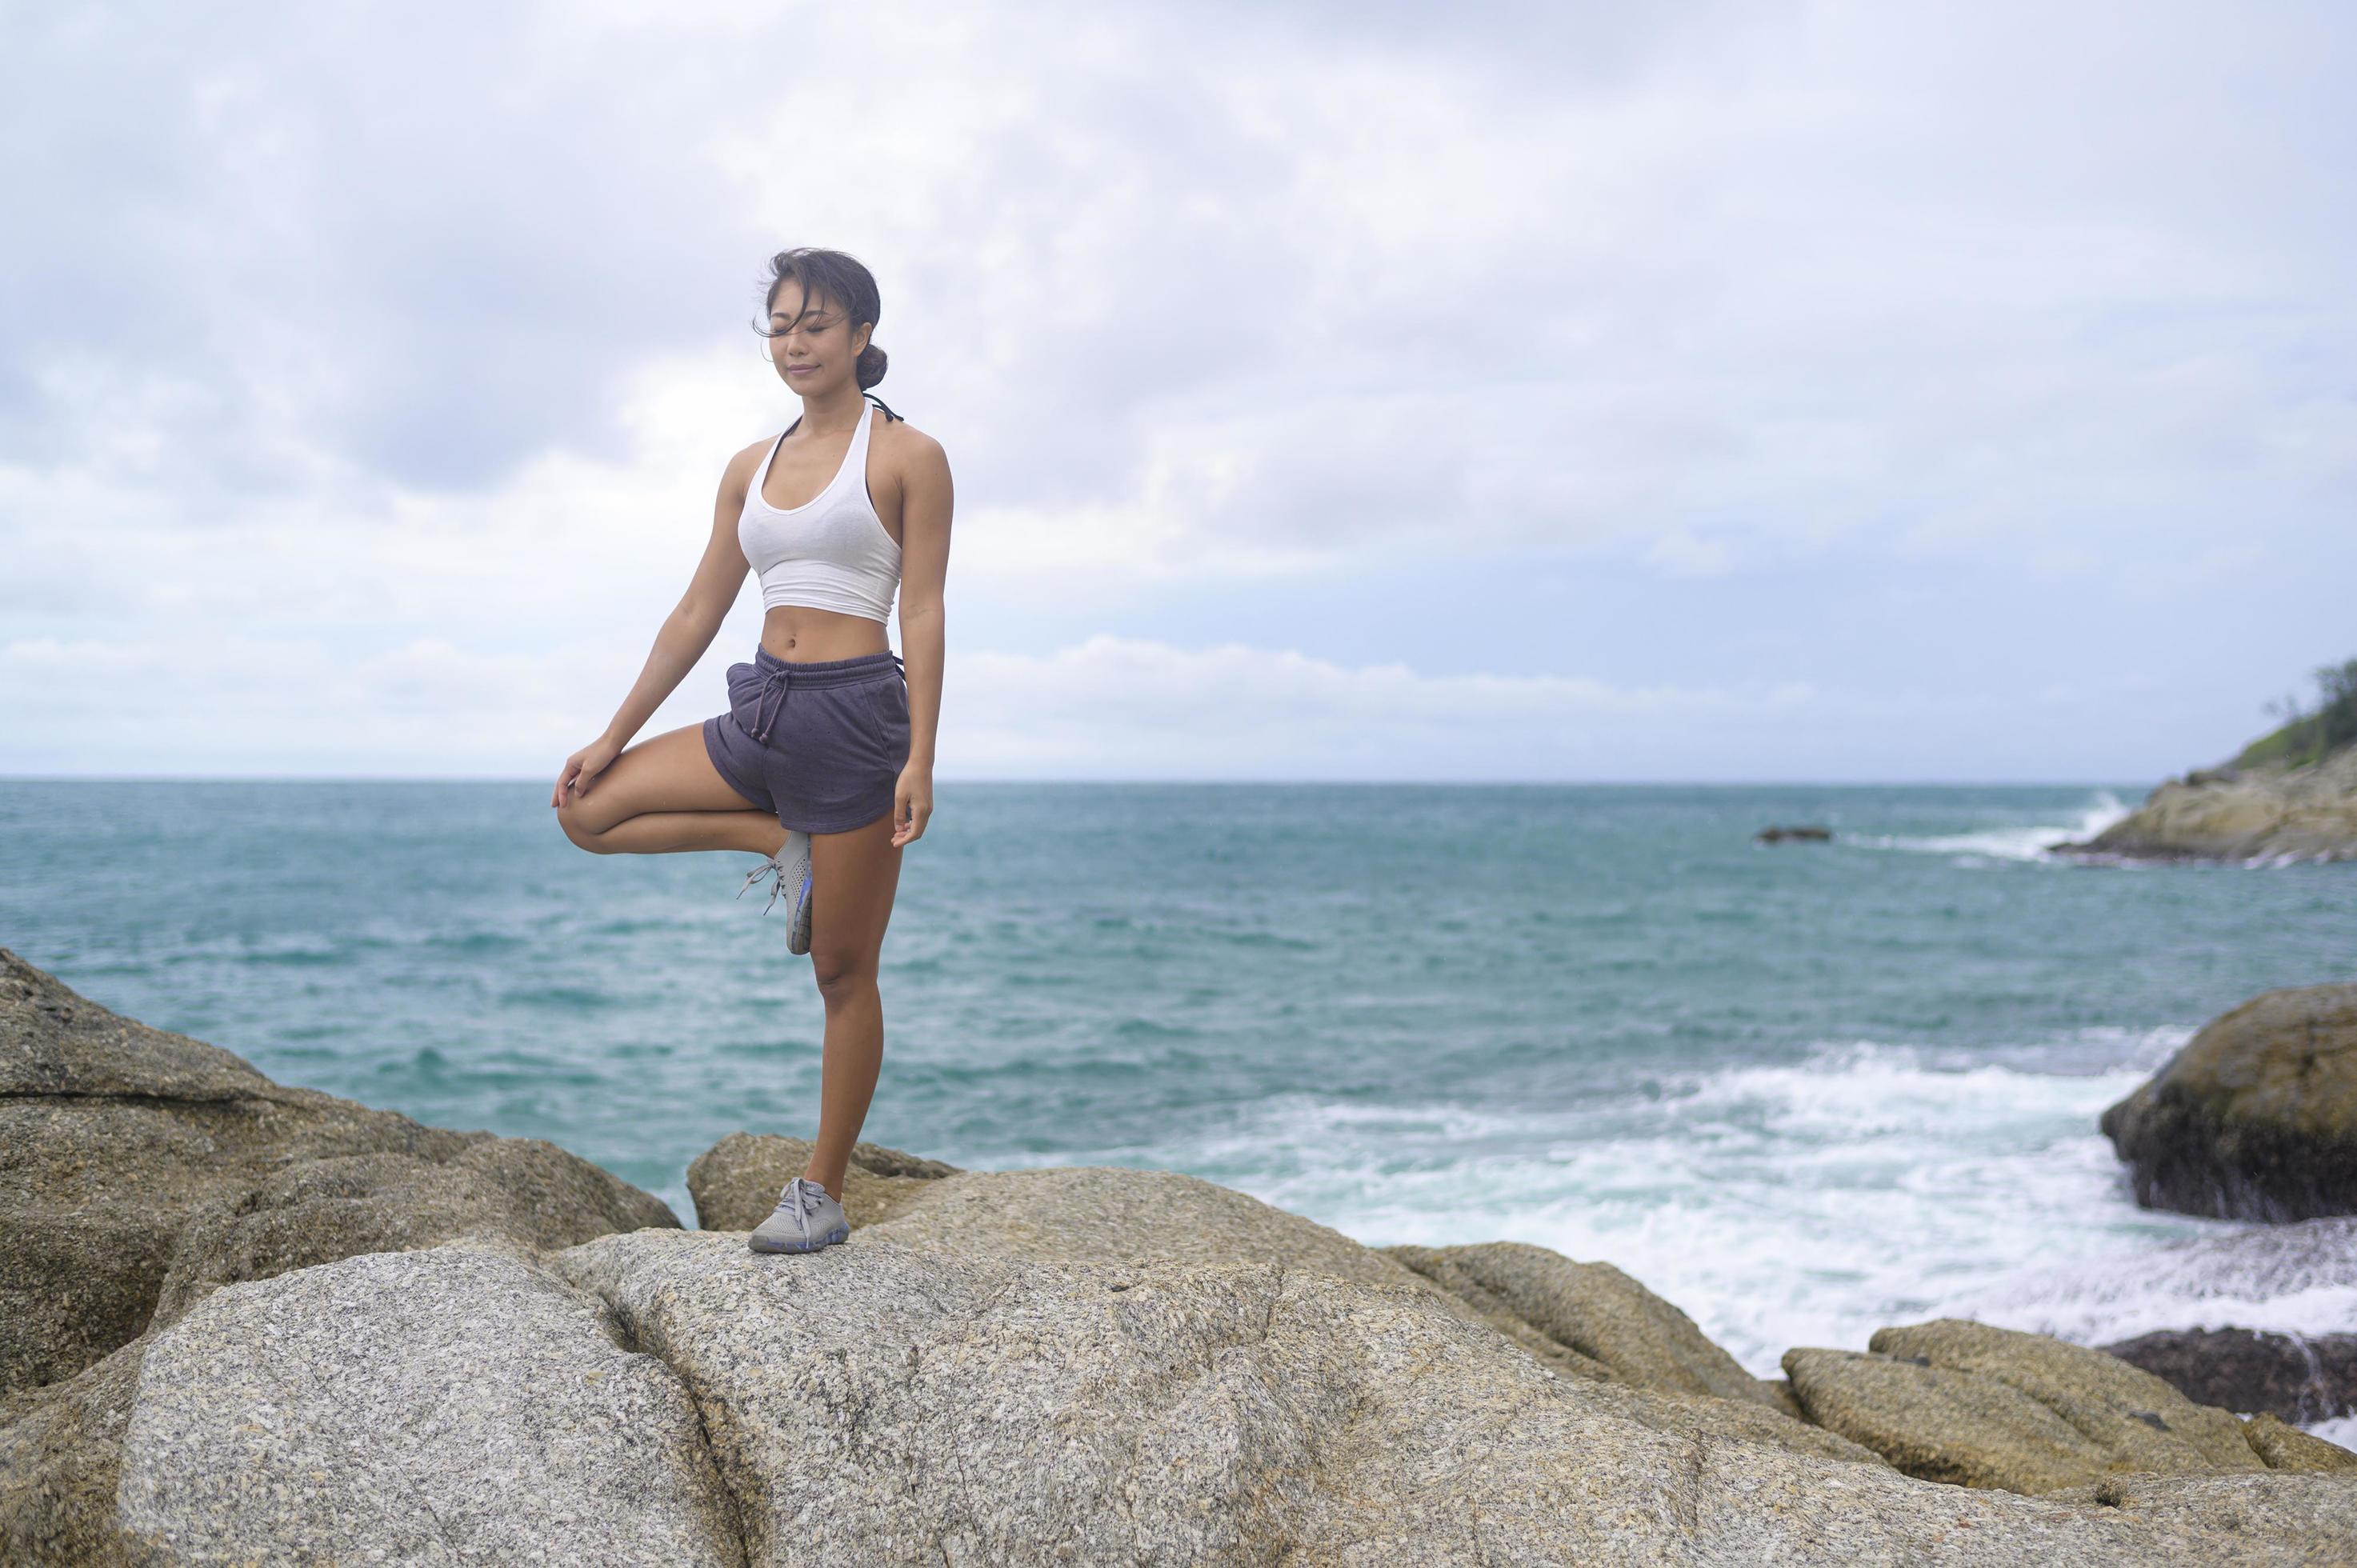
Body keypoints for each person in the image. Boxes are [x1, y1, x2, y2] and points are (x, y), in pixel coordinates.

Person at [550, 247, 951, 1254]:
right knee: (588, 812)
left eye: (815, 325)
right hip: (762, 706)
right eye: (779, 326)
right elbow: (697, 609)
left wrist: (923, 759)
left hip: (857, 718)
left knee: (842, 972)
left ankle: (821, 1190)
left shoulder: (910, 457)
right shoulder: (749, 466)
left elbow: (927, 609)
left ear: (861, 335)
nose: (795, 343)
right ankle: (786, 839)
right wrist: (614, 733)